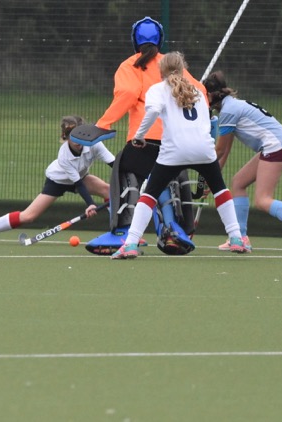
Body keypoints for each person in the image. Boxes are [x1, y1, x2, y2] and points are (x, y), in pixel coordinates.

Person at [111, 52, 247, 259]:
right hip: (204, 149)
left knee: (149, 193)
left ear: (161, 71)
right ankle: (236, 238)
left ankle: (130, 244)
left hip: (174, 151)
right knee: (220, 189)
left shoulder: (157, 89)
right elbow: (207, 123)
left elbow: (152, 112)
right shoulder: (198, 91)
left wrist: (139, 136)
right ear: (183, 69)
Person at [88, 16, 207, 253]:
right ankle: (174, 229)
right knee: (163, 178)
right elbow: (201, 92)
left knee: (125, 170)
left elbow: (128, 93)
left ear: (134, 40)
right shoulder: (172, 66)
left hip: (143, 140)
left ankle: (123, 232)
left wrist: (103, 124)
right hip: (176, 141)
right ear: (160, 40)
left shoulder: (130, 65)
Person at [203, 71, 282, 252]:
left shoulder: (228, 111)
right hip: (276, 145)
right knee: (238, 182)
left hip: (276, 146)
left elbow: (218, 151)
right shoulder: (231, 107)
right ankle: (241, 238)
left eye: (204, 95)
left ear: (211, 95)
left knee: (262, 199)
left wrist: (206, 174)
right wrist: (213, 180)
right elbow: (225, 151)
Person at [0, 116, 114, 244]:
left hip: (81, 176)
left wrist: (125, 181)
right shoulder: (64, 155)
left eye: (80, 135)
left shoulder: (95, 144)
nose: (77, 141)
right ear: (65, 137)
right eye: (72, 136)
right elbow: (79, 185)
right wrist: (90, 204)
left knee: (108, 190)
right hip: (58, 181)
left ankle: (118, 233)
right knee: (28, 216)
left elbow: (114, 164)